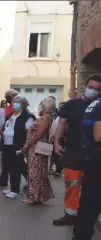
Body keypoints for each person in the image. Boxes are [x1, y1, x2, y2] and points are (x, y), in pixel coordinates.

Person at [52, 74, 101, 226]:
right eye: (90, 87)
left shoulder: (98, 107)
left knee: (91, 188)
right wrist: (56, 142)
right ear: (85, 86)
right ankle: (70, 215)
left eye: (97, 89)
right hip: (73, 152)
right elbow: (61, 123)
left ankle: (89, 218)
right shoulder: (71, 105)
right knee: (72, 185)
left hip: (93, 154)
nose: (92, 91)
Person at [70, 95, 101, 240]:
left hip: (91, 161)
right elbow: (98, 135)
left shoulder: (94, 104)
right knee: (90, 209)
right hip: (97, 163)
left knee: (87, 209)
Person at [0, 96, 34, 199]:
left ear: (23, 104)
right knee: (8, 166)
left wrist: (26, 146)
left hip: (17, 145)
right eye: (14, 102)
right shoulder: (10, 115)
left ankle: (15, 190)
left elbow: (29, 132)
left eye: (18, 102)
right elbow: (5, 128)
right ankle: (12, 187)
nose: (14, 104)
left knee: (16, 167)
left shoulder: (27, 116)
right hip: (7, 145)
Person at [19, 97, 55, 205]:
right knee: (38, 172)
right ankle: (38, 196)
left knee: (35, 172)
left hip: (36, 148)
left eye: (41, 104)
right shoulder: (43, 117)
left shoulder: (45, 118)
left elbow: (38, 135)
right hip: (34, 148)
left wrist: (27, 145)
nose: (39, 106)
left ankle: (33, 197)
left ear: (45, 106)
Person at [49, 101, 65, 178]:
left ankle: (58, 170)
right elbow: (53, 127)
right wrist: (51, 135)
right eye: (59, 107)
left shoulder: (66, 117)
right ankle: (56, 169)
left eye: (62, 107)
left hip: (61, 138)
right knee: (54, 155)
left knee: (59, 155)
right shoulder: (57, 116)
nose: (60, 109)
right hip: (53, 138)